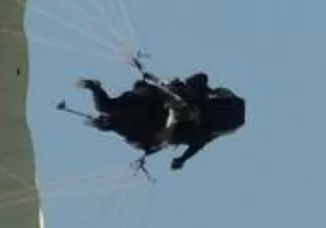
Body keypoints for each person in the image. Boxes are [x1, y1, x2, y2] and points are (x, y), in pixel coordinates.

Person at [72, 65, 246, 171]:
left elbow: (197, 144)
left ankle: (95, 89)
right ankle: (95, 90)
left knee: (106, 108)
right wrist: (181, 159)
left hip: (155, 109)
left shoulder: (201, 111)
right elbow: (197, 145)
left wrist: (182, 158)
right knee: (107, 108)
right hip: (157, 111)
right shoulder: (203, 124)